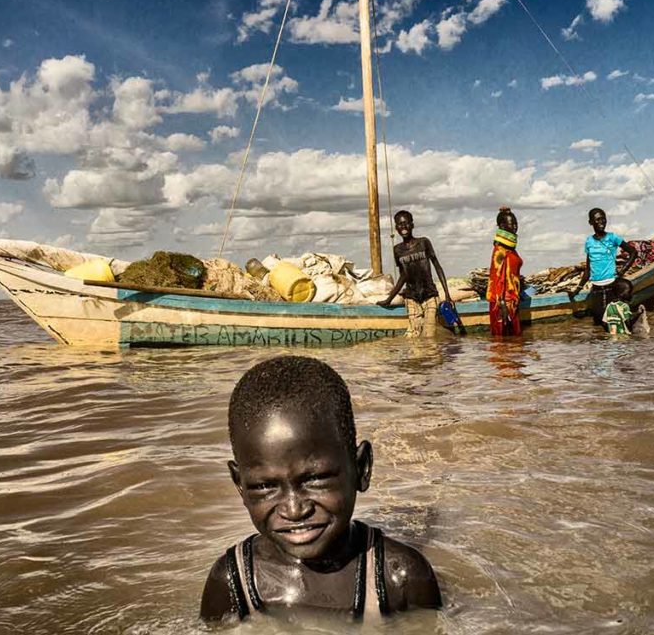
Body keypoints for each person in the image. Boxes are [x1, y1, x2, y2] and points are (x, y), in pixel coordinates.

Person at [200, 356, 442, 622]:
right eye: (265, 486)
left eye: (315, 479)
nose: (294, 509)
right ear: (240, 485)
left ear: (361, 468)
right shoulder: (233, 584)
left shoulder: (400, 579)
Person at [377, 210, 453, 338]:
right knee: (413, 338)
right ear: (396, 228)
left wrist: (447, 294)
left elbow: (437, 266)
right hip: (411, 297)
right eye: (400, 224)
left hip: (429, 295)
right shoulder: (398, 250)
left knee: (429, 336)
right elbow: (403, 276)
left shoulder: (424, 243)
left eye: (406, 223)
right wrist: (389, 299)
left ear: (412, 225)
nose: (403, 227)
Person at [570, 208, 638, 327]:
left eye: (603, 219)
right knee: (599, 324)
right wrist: (577, 290)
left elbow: (633, 252)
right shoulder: (589, 241)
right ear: (591, 222)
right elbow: (588, 268)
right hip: (596, 289)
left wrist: (621, 272)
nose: (601, 222)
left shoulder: (613, 238)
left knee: (616, 322)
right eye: (598, 219)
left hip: (611, 287)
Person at [487, 206, 523, 336]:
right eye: (511, 224)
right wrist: (502, 305)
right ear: (502, 226)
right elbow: (497, 278)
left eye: (515, 223)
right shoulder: (500, 250)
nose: (514, 227)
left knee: (514, 347)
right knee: (502, 347)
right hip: (503, 304)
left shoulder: (511, 249)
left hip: (512, 301)